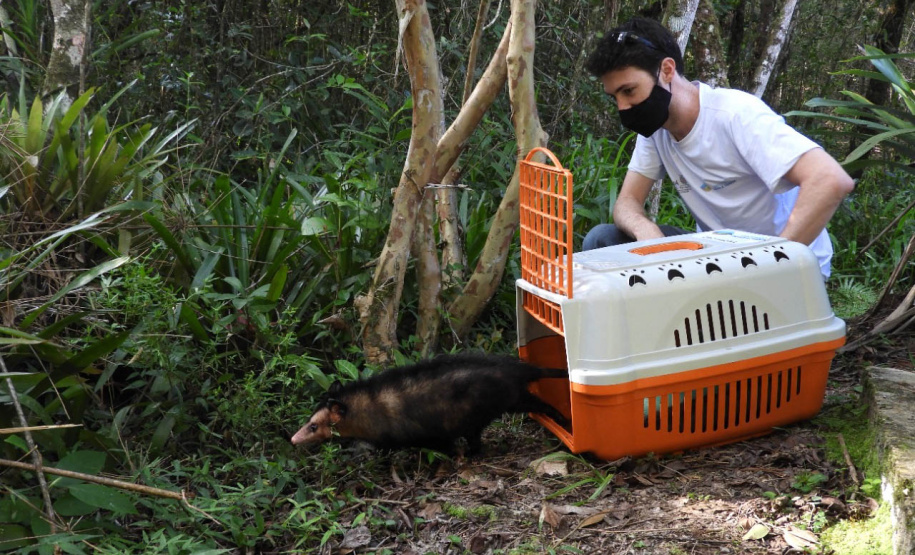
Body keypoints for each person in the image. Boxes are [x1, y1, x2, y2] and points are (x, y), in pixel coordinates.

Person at [582, 17, 854, 279]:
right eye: (614, 97)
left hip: (783, 262)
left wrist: (774, 263)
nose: (622, 107)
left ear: (666, 70)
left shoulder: (734, 114)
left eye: (629, 91)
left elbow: (829, 179)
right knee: (603, 240)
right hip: (720, 256)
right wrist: (646, 231)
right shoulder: (656, 129)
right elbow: (627, 203)